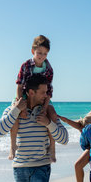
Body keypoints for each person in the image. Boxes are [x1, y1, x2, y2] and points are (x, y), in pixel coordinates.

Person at [10, 35, 58, 163]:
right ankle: (13, 145)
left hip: (43, 96)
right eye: (39, 53)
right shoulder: (25, 66)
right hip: (24, 94)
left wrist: (45, 107)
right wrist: (21, 106)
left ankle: (52, 147)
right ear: (33, 51)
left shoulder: (48, 69)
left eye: (45, 54)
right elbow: (19, 86)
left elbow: (48, 92)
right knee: (14, 113)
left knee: (53, 115)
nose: (42, 56)